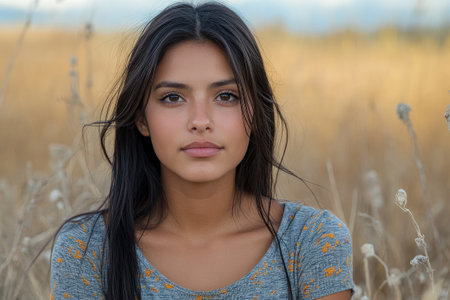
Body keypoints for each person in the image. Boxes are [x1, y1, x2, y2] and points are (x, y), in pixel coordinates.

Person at [50, 2, 353, 299]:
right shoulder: (87, 250)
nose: (200, 122)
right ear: (141, 117)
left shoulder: (312, 241)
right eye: (172, 98)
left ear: (256, 114)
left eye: (226, 96)